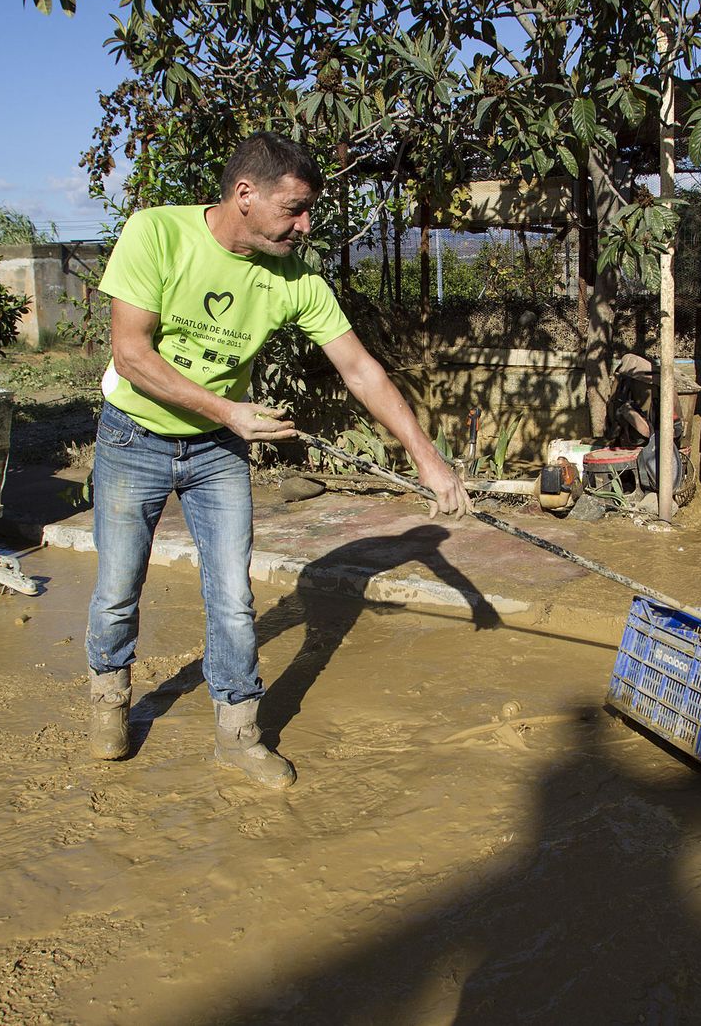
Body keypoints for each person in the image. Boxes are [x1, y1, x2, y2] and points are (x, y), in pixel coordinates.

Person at [85, 131, 470, 788]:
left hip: (216, 452)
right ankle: (109, 700)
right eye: (294, 208)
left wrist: (426, 457)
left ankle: (238, 736)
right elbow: (132, 354)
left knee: (233, 598)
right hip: (135, 438)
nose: (306, 224)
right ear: (244, 195)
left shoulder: (295, 278)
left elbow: (360, 369)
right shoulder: (157, 234)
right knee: (119, 589)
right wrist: (232, 412)